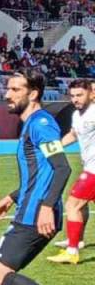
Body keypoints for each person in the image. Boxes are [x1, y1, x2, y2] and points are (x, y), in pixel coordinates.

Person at [0, 71, 87, 285]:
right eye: (8, 88)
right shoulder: (34, 124)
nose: (8, 94)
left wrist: (44, 207)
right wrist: (10, 197)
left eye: (16, 89)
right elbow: (39, 173)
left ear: (33, 94)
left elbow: (62, 168)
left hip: (34, 215)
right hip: (30, 208)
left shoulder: (41, 124)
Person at [47, 79, 95, 264]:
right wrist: (52, 148)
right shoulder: (76, 115)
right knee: (80, 205)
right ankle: (77, 240)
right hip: (89, 167)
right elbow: (74, 135)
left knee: (72, 205)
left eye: (79, 95)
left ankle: (72, 251)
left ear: (91, 94)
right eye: (72, 95)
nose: (75, 99)